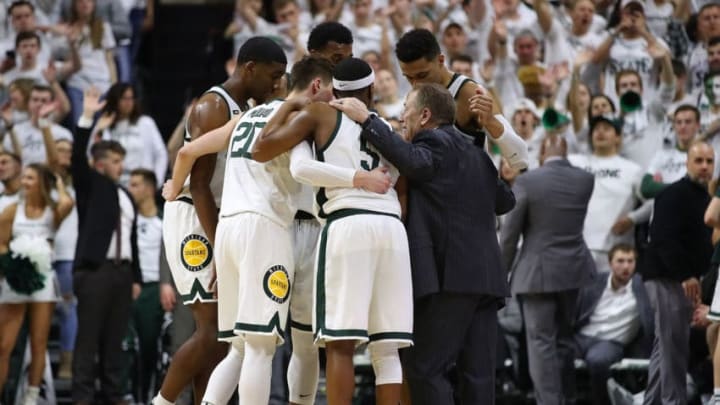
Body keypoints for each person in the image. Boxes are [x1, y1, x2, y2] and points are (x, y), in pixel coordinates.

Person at [163, 56, 390, 405]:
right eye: (332, 93)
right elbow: (302, 169)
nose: (336, 102)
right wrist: (359, 177)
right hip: (265, 228)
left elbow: (189, 150)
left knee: (238, 347)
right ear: (316, 87)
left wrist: (171, 187)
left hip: (226, 230)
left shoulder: (245, 117)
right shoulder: (300, 120)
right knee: (260, 347)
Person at [328, 80, 517, 403]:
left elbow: (414, 161)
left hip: (451, 277)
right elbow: (505, 201)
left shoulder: (435, 144)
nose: (402, 118)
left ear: (425, 115)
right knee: (478, 376)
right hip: (487, 280)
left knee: (425, 369)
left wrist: (369, 120)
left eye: (406, 111)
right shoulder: (477, 155)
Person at [250, 57, 413, 405]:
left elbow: (278, 156)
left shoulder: (321, 114)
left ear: (334, 89)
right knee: (387, 350)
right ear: (371, 90)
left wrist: (291, 107)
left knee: (340, 345)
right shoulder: (389, 127)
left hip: (348, 224)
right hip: (393, 230)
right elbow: (402, 186)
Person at [156, 36, 287, 405]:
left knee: (222, 338)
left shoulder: (246, 106)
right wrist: (218, 248)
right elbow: (198, 185)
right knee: (212, 332)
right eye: (273, 75)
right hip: (195, 218)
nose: (276, 84)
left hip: (216, 216)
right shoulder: (214, 105)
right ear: (249, 68)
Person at [500, 135, 595, 404]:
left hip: (536, 274)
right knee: (564, 339)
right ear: (566, 151)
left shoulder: (528, 181)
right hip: (574, 270)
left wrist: (500, 274)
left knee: (541, 344)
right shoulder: (585, 180)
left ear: (542, 152)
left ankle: (549, 402)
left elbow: (510, 235)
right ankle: (568, 397)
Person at [71, 87, 142, 405]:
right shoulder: (92, 186)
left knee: (115, 341)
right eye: (115, 161)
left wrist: (136, 276)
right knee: (88, 341)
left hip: (122, 273)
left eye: (122, 161)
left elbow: (132, 239)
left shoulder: (126, 196)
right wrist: (88, 118)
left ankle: (115, 395)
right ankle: (82, 399)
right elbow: (76, 158)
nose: (120, 167)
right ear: (100, 164)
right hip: (95, 271)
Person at [394, 28, 529, 171]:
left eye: (422, 75)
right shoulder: (413, 97)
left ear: (440, 60)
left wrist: (491, 122)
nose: (415, 84)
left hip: (471, 188)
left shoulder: (470, 93)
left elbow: (521, 159)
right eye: (408, 77)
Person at [642, 141, 715, 405]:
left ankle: (650, 401)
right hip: (667, 277)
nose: (705, 166)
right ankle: (674, 402)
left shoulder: (706, 197)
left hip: (682, 278)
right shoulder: (674, 194)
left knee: (666, 347)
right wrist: (686, 275)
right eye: (699, 161)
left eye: (709, 161)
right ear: (687, 164)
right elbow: (662, 239)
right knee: (674, 347)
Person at [0, 163, 73, 405]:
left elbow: (68, 203)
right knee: (4, 344)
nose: (24, 182)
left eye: (30, 178)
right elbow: (1, 243)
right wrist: (13, 266)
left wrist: (59, 184)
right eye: (24, 178)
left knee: (39, 342)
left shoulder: (52, 211)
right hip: (16, 280)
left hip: (43, 281)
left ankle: (31, 398)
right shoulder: (12, 210)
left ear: (41, 182)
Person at [575, 244, 654, 405]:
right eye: (620, 261)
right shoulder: (595, 282)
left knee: (598, 360)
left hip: (610, 342)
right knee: (555, 352)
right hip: (582, 336)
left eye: (630, 261)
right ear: (610, 263)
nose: (626, 266)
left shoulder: (643, 288)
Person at [126, 169, 164, 404]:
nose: (131, 190)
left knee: (151, 347)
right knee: (128, 348)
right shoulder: (127, 220)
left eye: (135, 185)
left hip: (155, 289)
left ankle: (151, 396)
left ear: (149, 189)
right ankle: (130, 395)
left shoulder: (164, 220)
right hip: (131, 288)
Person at [94, 82, 168, 187]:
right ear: (115, 100)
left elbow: (161, 154)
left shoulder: (145, 122)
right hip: (115, 184)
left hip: (143, 183)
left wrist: (157, 181)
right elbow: (95, 154)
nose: (128, 102)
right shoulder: (104, 124)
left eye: (131, 98)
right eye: (124, 98)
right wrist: (100, 129)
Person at [2, 85, 73, 166]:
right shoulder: (15, 131)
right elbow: (11, 162)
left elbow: (62, 164)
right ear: (28, 103)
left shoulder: (63, 134)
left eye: (44, 101)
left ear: (53, 105)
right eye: (35, 100)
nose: (39, 104)